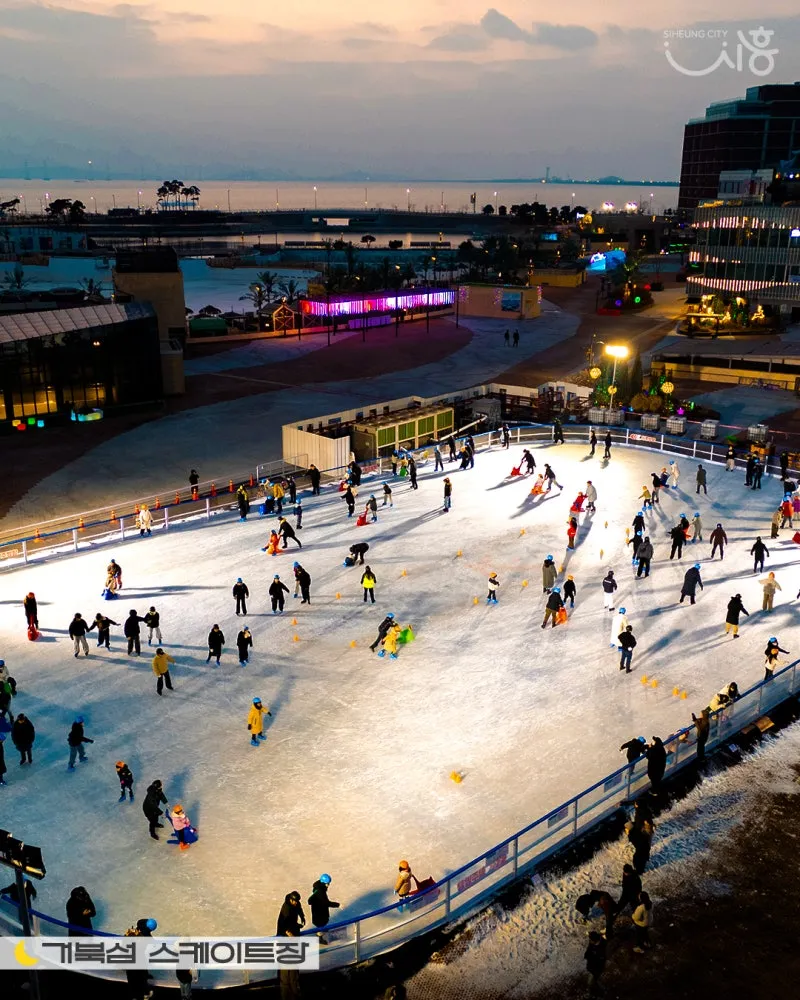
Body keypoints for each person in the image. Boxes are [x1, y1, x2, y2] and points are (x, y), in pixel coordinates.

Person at [308, 874, 340, 942]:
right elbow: (327, 903)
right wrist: (338, 905)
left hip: (318, 910)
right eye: (327, 883)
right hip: (320, 912)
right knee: (320, 924)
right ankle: (319, 938)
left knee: (321, 924)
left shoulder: (318, 888)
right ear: (323, 883)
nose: (328, 885)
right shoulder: (320, 892)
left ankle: (321, 931)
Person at [584, 930, 607, 996]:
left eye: (590, 940)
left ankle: (600, 992)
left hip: (597, 967)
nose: (589, 941)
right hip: (593, 964)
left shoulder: (602, 947)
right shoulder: (593, 941)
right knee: (594, 980)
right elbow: (588, 951)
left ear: (594, 941)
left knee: (591, 981)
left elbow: (602, 960)